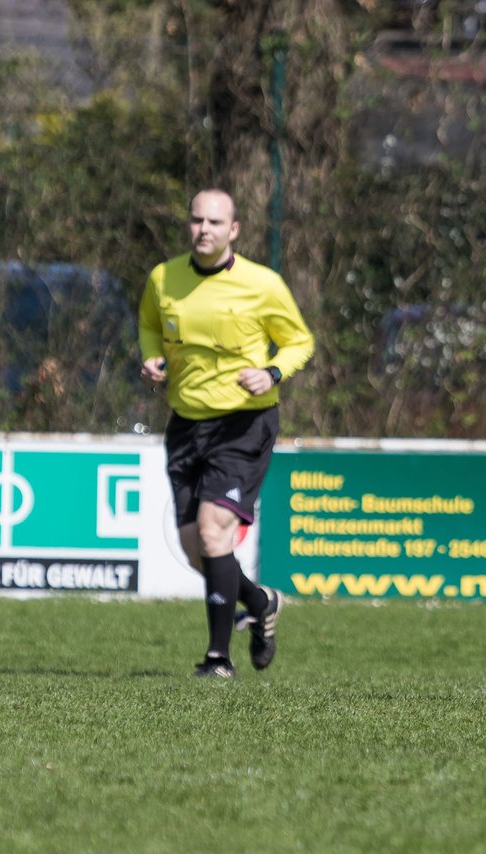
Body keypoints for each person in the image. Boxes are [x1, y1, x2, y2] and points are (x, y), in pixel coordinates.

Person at [138, 188, 315, 678]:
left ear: (234, 230)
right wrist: (152, 358)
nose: (204, 230)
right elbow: (151, 326)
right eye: (196, 220)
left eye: (215, 222)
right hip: (185, 424)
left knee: (216, 531)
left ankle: (217, 659)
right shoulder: (163, 277)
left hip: (244, 422)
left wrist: (273, 372)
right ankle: (260, 602)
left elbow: (299, 341)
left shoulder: (262, 284)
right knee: (199, 549)